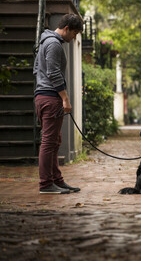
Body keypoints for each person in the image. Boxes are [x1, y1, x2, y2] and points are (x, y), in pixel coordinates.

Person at [33, 13, 83, 194]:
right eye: (75, 33)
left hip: (43, 96)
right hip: (50, 97)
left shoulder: (45, 42)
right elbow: (53, 73)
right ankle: (46, 184)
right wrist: (65, 98)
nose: (74, 37)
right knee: (49, 142)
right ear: (67, 28)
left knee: (54, 141)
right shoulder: (53, 44)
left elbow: (36, 70)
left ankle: (56, 180)